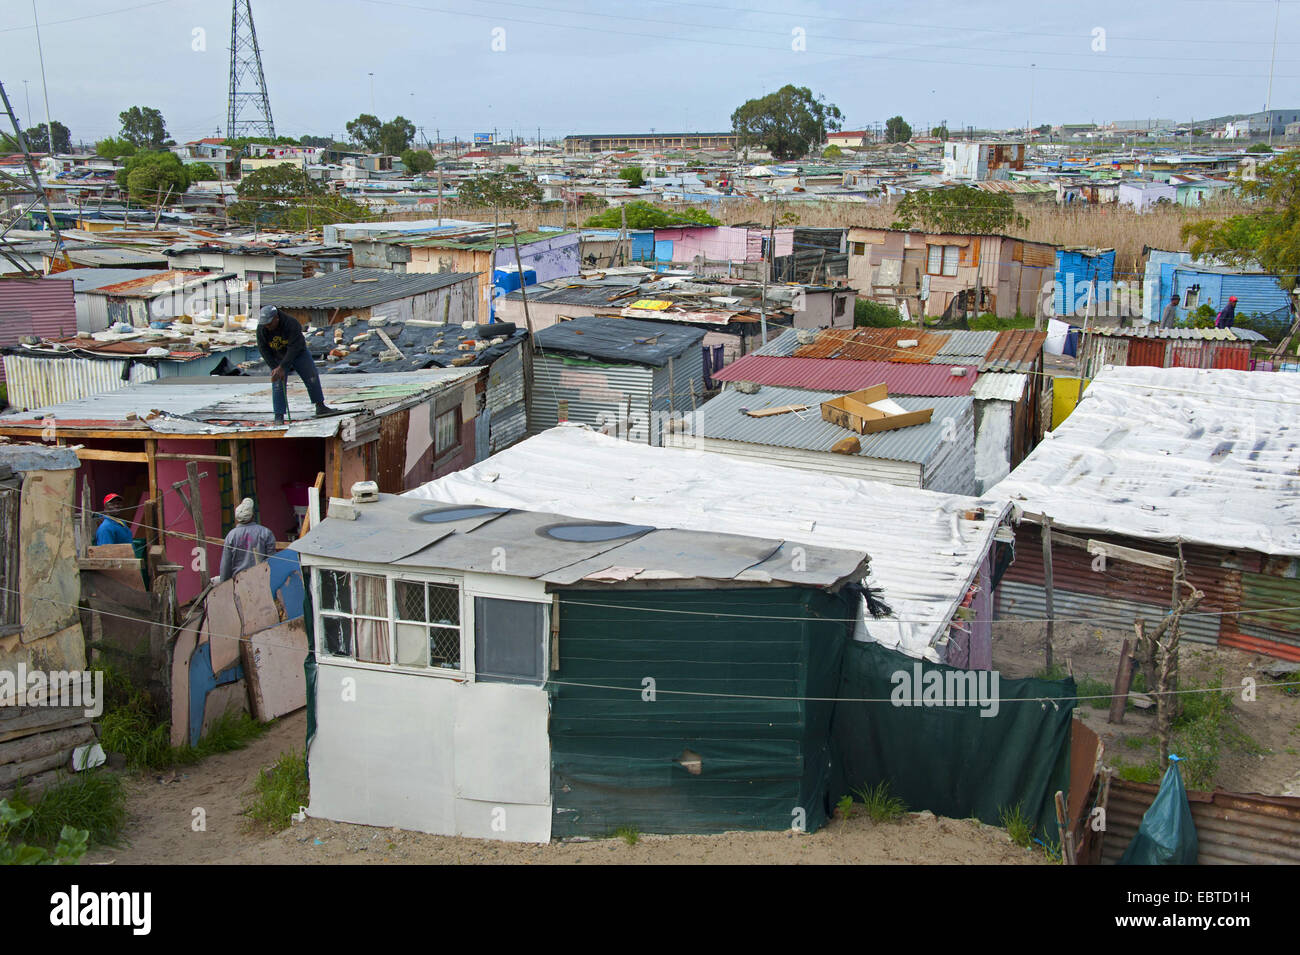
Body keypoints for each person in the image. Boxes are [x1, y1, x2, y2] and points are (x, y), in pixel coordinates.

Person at [256, 305, 336, 425]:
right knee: (278, 382)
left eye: (269, 324)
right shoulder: (262, 328)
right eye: (265, 324)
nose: (267, 326)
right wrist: (275, 368)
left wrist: (283, 366)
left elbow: (294, 347)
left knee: (311, 376)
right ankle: (279, 416)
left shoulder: (291, 323)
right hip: (278, 355)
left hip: (298, 353)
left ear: (276, 318)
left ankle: (320, 406)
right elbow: (263, 349)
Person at [218, 497, 277, 582]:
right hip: (262, 580)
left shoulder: (231, 536)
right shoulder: (265, 533)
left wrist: (223, 585)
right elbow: (272, 561)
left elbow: (225, 565)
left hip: (239, 582)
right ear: (253, 515)